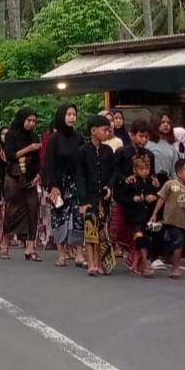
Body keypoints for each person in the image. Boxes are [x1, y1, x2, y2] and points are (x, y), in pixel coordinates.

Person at [0, 107, 43, 262]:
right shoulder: (12, 134)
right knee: (12, 211)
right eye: (28, 120)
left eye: (33, 121)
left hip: (30, 177)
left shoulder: (33, 135)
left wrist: (39, 174)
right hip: (14, 176)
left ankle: (30, 247)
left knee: (33, 210)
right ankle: (5, 244)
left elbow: (38, 159)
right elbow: (10, 155)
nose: (31, 124)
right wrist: (29, 148)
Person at [45, 104, 84, 267]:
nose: (72, 117)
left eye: (74, 114)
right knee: (59, 217)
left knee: (78, 217)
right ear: (62, 116)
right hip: (59, 184)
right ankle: (61, 253)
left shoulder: (79, 138)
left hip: (76, 183)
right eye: (68, 114)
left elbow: (82, 163)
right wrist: (53, 185)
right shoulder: (54, 138)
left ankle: (79, 254)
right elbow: (49, 164)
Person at [77, 115, 116, 276]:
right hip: (90, 197)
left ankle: (100, 263)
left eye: (108, 130)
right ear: (93, 131)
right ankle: (91, 263)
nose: (107, 132)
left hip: (104, 197)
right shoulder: (83, 151)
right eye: (104, 130)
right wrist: (83, 200)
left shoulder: (108, 150)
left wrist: (109, 186)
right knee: (91, 231)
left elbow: (113, 171)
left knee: (103, 231)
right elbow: (80, 177)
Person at [151, 159, 185, 279]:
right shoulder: (171, 184)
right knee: (179, 241)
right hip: (170, 220)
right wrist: (154, 214)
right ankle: (175, 268)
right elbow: (161, 198)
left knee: (181, 243)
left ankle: (168, 256)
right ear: (179, 173)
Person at [115, 155, 159, 277]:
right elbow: (120, 196)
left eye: (147, 168)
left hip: (148, 216)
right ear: (135, 170)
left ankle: (135, 265)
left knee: (145, 239)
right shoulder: (131, 181)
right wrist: (132, 199)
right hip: (135, 216)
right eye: (141, 169)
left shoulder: (151, 181)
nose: (145, 171)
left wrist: (154, 197)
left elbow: (158, 195)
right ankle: (145, 262)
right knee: (140, 238)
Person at [149, 115, 181, 182]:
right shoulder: (148, 144)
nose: (166, 125)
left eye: (168, 123)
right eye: (163, 122)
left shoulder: (171, 146)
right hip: (151, 181)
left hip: (166, 182)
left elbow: (173, 171)